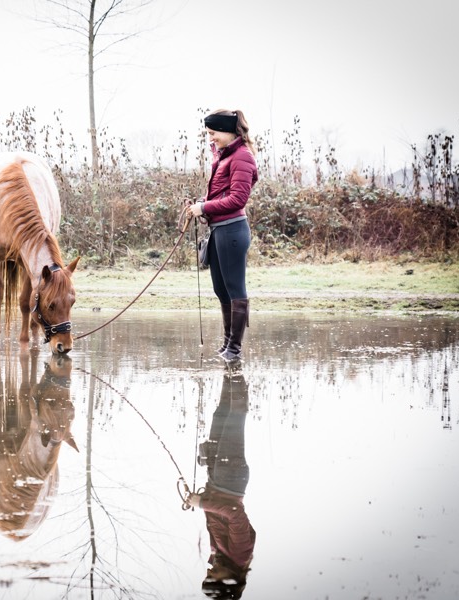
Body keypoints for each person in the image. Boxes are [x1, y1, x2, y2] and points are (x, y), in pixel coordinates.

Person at [186, 109, 259, 362]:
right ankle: (228, 343)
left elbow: (238, 199)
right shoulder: (225, 156)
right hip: (219, 230)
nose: (211, 138)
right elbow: (221, 194)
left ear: (228, 131)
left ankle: (234, 349)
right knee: (220, 289)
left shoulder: (242, 157)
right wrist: (202, 202)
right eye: (209, 133)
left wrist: (204, 208)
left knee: (235, 288)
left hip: (233, 231)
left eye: (213, 133)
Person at [186, 371, 256, 599]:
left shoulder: (219, 556)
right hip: (232, 479)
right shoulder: (240, 553)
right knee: (235, 416)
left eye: (208, 575)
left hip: (217, 480)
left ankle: (229, 370)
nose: (209, 570)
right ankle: (236, 366)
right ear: (229, 579)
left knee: (221, 412)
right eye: (212, 576)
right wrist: (202, 503)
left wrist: (201, 498)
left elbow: (217, 516)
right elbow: (235, 514)